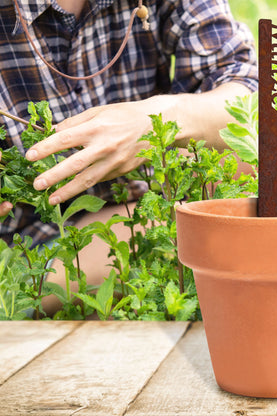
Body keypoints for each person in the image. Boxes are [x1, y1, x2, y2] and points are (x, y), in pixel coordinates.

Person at [0, 0, 258, 314]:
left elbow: (248, 95)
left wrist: (153, 120)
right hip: (29, 250)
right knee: (224, 234)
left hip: (154, 199)